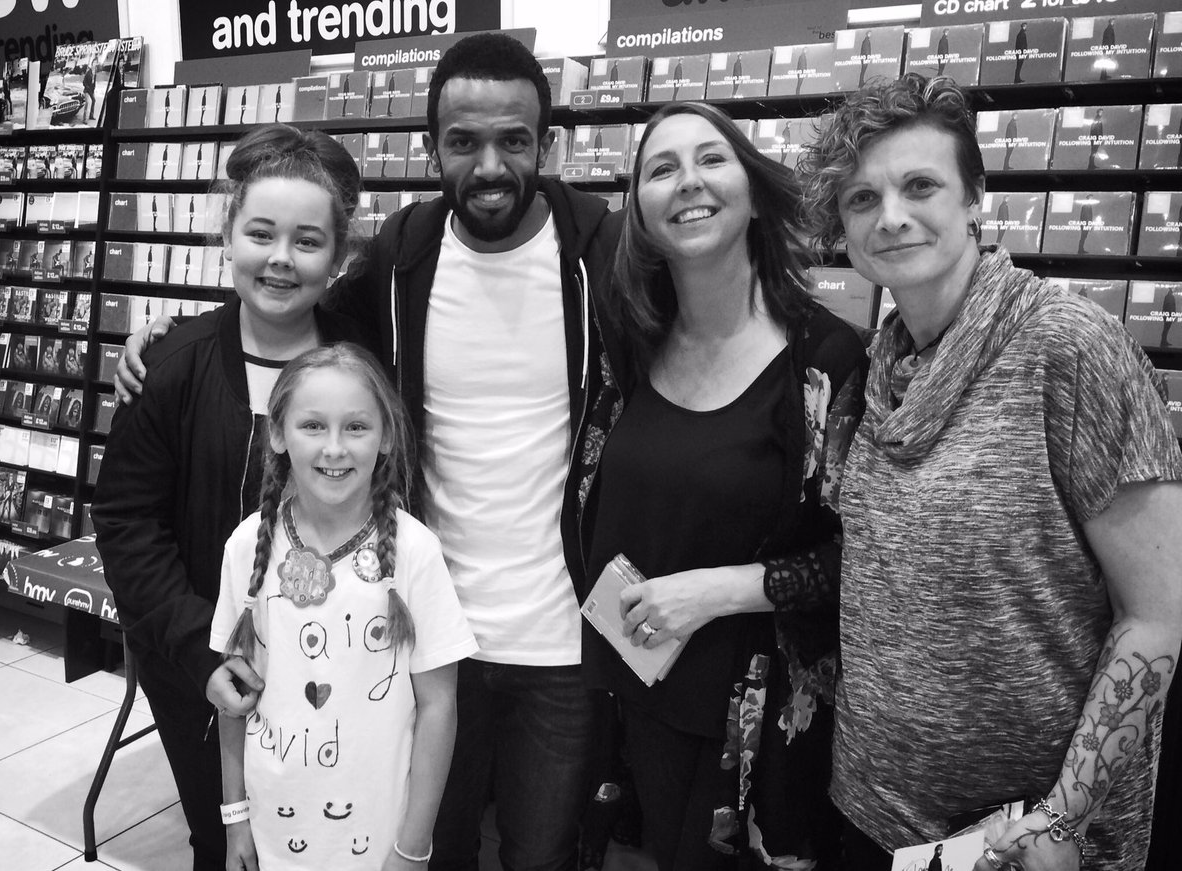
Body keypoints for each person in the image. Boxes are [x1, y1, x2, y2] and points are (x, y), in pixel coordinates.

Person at [114, 32, 623, 871]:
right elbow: (129, 518)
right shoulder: (196, 357)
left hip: (480, 647)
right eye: (462, 140)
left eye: (514, 139)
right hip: (287, 654)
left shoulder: (582, 260)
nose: (488, 164)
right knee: (285, 841)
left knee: (473, 844)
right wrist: (163, 333)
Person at [798, 73, 1182, 871]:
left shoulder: (1069, 347)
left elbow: (1156, 613)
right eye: (863, 199)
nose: (890, 216)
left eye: (920, 186)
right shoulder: (877, 365)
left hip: (1019, 839)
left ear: (976, 199)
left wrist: (1062, 818)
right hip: (874, 812)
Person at [575, 101, 866, 870]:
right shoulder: (630, 347)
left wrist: (716, 590)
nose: (688, 181)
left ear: (755, 191)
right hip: (636, 706)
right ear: (640, 213)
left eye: (711, 159)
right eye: (661, 168)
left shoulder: (823, 363)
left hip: (760, 736)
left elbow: (868, 557)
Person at [92, 124, 367, 871]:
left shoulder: (364, 367)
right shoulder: (170, 366)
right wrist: (200, 651)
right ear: (228, 235)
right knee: (224, 842)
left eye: (307, 241)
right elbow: (126, 521)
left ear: (338, 257)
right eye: (261, 233)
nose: (281, 258)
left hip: (335, 664)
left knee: (328, 835)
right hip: (197, 668)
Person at [211, 343, 477, 869]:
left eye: (356, 427)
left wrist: (413, 846)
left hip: (377, 839)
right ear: (278, 433)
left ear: (386, 437)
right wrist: (235, 817)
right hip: (273, 829)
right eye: (313, 426)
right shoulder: (246, 547)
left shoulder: (415, 552)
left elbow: (438, 707)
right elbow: (233, 697)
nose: (334, 448)